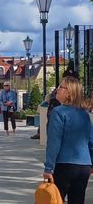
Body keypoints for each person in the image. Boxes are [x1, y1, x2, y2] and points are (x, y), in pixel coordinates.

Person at [43, 76, 93, 204]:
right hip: (84, 166)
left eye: (61, 87)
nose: (57, 90)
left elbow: (54, 142)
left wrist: (48, 168)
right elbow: (91, 141)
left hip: (65, 165)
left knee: (55, 200)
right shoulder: (84, 114)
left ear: (69, 92)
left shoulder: (58, 112)